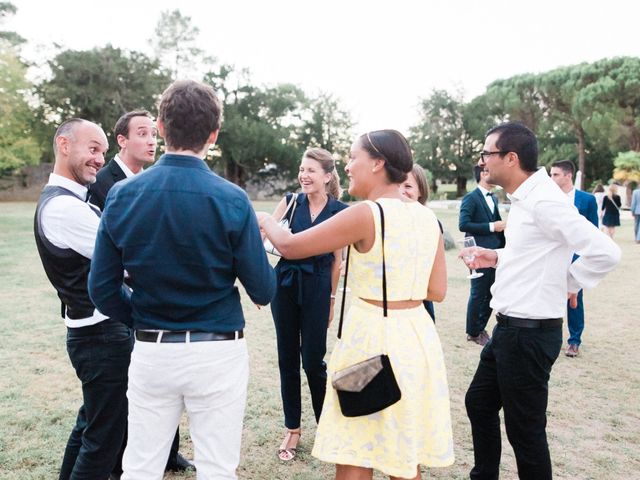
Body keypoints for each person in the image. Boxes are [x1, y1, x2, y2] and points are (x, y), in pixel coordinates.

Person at [88, 80, 276, 479]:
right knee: (217, 468)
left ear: (160, 126)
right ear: (213, 134)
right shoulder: (232, 198)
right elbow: (262, 288)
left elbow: (101, 288)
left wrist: (139, 314)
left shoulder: (123, 194)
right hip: (217, 349)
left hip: (154, 348)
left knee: (140, 467)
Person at [258, 129, 454, 480]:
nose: (347, 167)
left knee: (353, 450)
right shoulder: (427, 218)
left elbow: (288, 246)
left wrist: (264, 220)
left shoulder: (366, 213)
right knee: (404, 454)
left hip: (371, 341)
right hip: (417, 341)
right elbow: (436, 290)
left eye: (352, 158)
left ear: (377, 163)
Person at [462, 122, 620, 480]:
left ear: (511, 157)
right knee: (479, 403)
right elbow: (533, 254)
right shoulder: (525, 198)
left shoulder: (546, 200)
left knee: (525, 432)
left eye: (487, 153)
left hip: (529, 335)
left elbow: (606, 253)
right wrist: (496, 257)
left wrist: (569, 283)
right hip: (507, 328)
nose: (483, 161)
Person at [87, 110, 194, 475]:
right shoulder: (102, 184)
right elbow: (105, 252)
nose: (152, 141)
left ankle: (169, 453)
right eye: (143, 134)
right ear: (122, 140)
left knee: (168, 375)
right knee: (133, 387)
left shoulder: (153, 179)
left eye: (154, 134)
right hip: (121, 299)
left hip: (158, 295)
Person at [33, 119, 132, 480]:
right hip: (100, 336)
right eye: (92, 149)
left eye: (103, 152)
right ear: (63, 145)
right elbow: (126, 260)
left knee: (92, 423)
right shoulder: (65, 209)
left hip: (95, 333)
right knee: (104, 438)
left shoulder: (71, 201)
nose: (99, 159)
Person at [269, 148, 348, 461]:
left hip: (317, 287)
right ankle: (292, 429)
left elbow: (338, 263)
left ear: (327, 176)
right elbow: (263, 237)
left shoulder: (340, 210)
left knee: (314, 361)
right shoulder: (289, 201)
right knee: (286, 357)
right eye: (302, 169)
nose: (304, 175)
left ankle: (326, 427)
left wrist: (330, 299)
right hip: (284, 284)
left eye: (311, 170)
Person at [550, 160, 599, 358]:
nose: (551, 179)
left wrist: (584, 259)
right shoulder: (549, 198)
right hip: (553, 256)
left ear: (568, 176)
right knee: (551, 297)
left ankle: (574, 341)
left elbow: (593, 231)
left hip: (576, 258)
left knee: (574, 300)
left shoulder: (587, 200)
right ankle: (551, 339)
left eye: (555, 175)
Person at [458, 165, 506, 346]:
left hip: (495, 255)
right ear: (483, 174)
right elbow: (463, 224)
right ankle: (472, 332)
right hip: (477, 254)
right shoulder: (471, 198)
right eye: (489, 171)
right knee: (478, 293)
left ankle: (480, 328)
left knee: (491, 293)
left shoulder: (493, 197)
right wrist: (493, 226)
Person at [399, 164, 437, 322]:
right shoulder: (385, 221)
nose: (401, 191)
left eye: (408, 186)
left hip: (419, 301)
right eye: (397, 185)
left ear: (421, 191)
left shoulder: (430, 223)